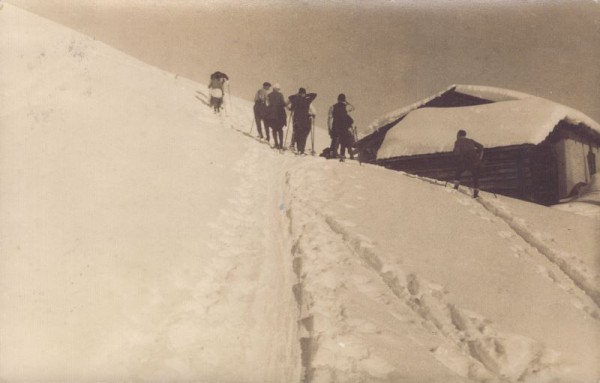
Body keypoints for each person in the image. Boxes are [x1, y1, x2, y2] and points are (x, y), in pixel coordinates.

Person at [452, 129, 484, 198]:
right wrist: (480, 157)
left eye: (457, 135)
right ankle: (476, 193)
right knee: (475, 176)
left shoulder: (458, 142)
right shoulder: (471, 140)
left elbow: (456, 153)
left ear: (459, 135)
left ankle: (456, 187)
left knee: (458, 171)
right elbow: (481, 147)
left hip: (466, 161)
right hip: (476, 161)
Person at [288, 88, 317, 155]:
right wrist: (306, 95)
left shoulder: (295, 100)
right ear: (303, 93)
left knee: (297, 134)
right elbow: (314, 95)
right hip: (305, 121)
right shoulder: (307, 100)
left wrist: (297, 95)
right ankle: (301, 150)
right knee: (303, 136)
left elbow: (290, 97)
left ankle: (298, 149)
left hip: (297, 120)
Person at [328, 93, 355, 159]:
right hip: (344, 126)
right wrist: (347, 102)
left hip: (336, 126)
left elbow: (330, 118)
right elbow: (353, 108)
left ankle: (332, 152)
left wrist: (329, 128)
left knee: (334, 140)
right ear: (344, 100)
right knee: (344, 141)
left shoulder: (333, 107)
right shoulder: (345, 107)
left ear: (338, 99)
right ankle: (342, 154)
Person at [264, 83, 287, 149]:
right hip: (279, 114)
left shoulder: (269, 95)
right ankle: (281, 145)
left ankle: (276, 143)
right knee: (280, 130)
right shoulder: (280, 95)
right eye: (278, 89)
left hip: (271, 115)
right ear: (277, 89)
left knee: (274, 129)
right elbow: (283, 103)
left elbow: (267, 104)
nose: (278, 90)